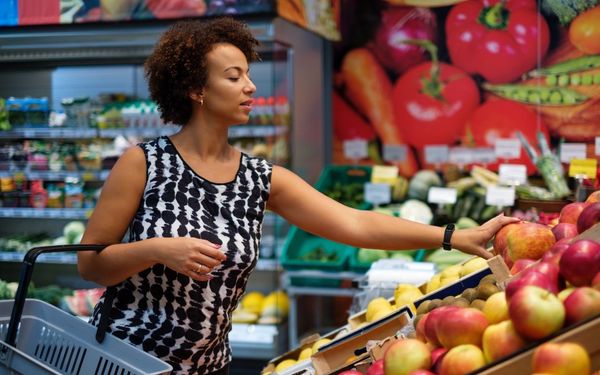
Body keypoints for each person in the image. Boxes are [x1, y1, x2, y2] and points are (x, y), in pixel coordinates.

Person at [77, 17, 518, 375]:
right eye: (235, 77)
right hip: (125, 359)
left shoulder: (260, 178)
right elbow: (90, 263)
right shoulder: (144, 163)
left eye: (248, 74)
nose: (250, 86)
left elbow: (356, 223)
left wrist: (454, 236)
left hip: (209, 367)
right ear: (196, 90)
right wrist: (158, 250)